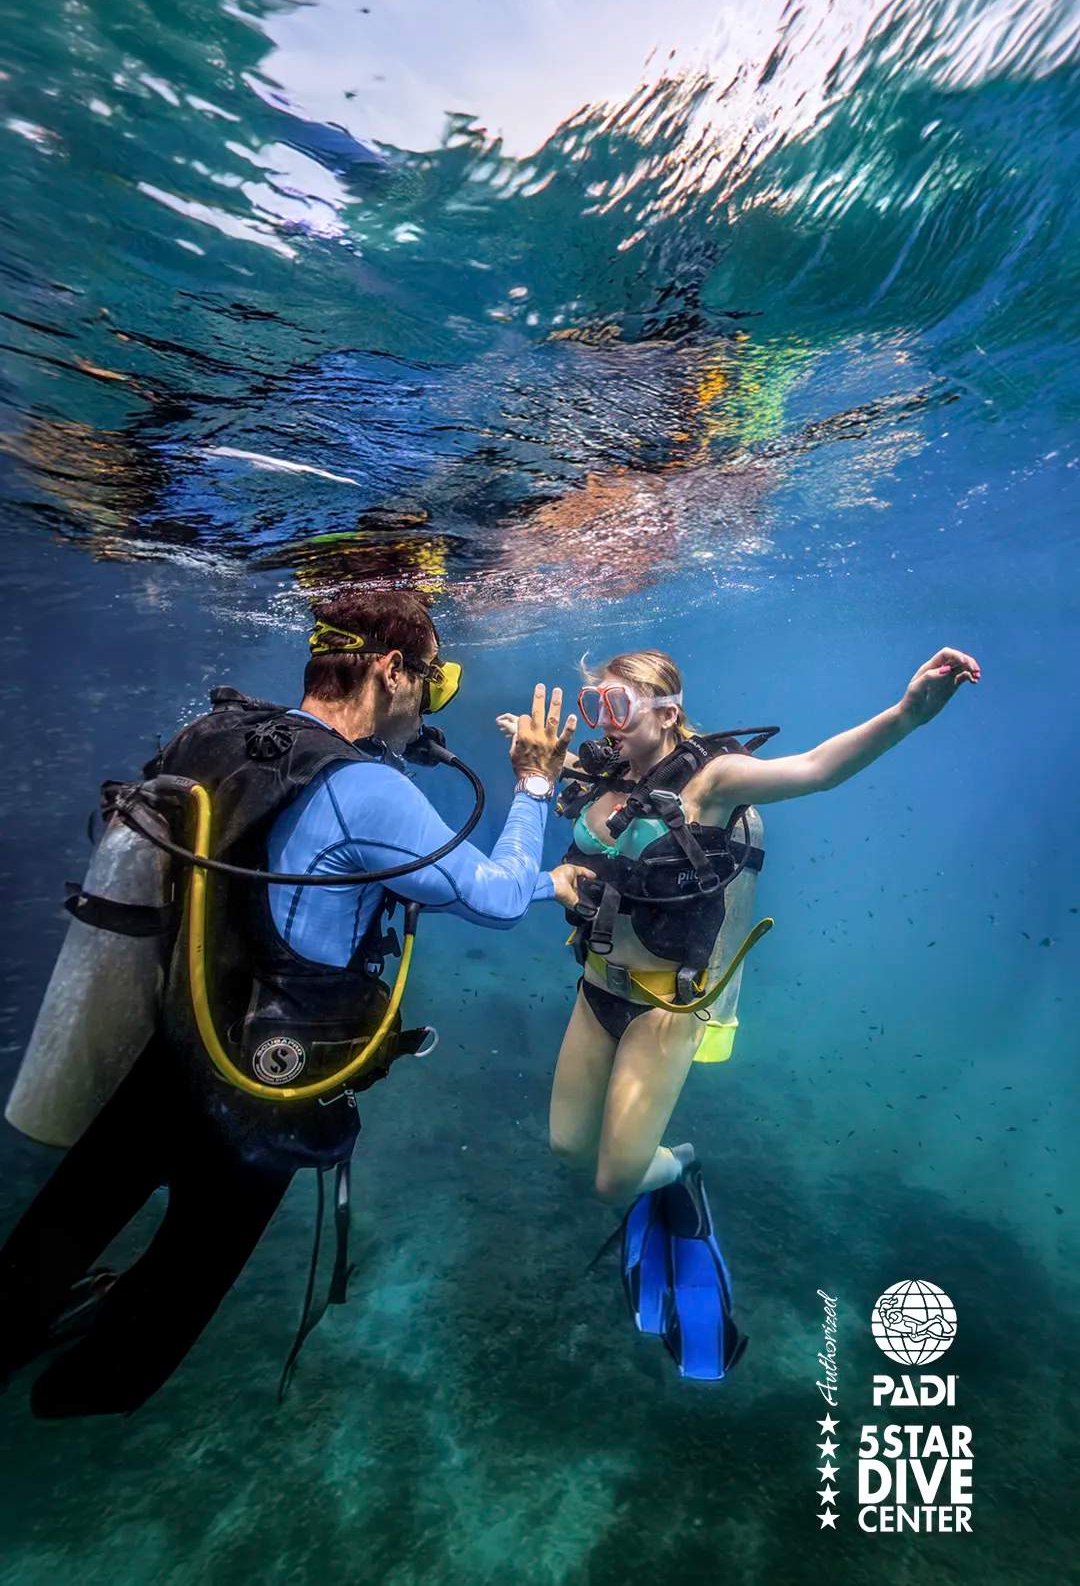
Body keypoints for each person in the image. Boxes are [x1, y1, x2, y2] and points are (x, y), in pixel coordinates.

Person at [0, 588, 587, 1418]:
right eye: (434, 681)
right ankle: (78, 1394)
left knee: (53, 1237)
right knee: (167, 1306)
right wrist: (532, 786)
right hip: (265, 1090)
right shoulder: (365, 792)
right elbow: (488, 897)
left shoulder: (226, 736)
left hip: (171, 1044)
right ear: (390, 671)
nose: (432, 702)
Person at [501, 642, 981, 1379]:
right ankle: (651, 1163)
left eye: (617, 707)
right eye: (597, 705)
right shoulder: (594, 771)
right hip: (598, 988)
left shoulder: (713, 780)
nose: (605, 722)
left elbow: (819, 768)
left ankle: (679, 1167)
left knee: (611, 1183)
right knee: (567, 1150)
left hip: (666, 1008)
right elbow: (564, 825)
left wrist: (908, 714)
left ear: (668, 713)